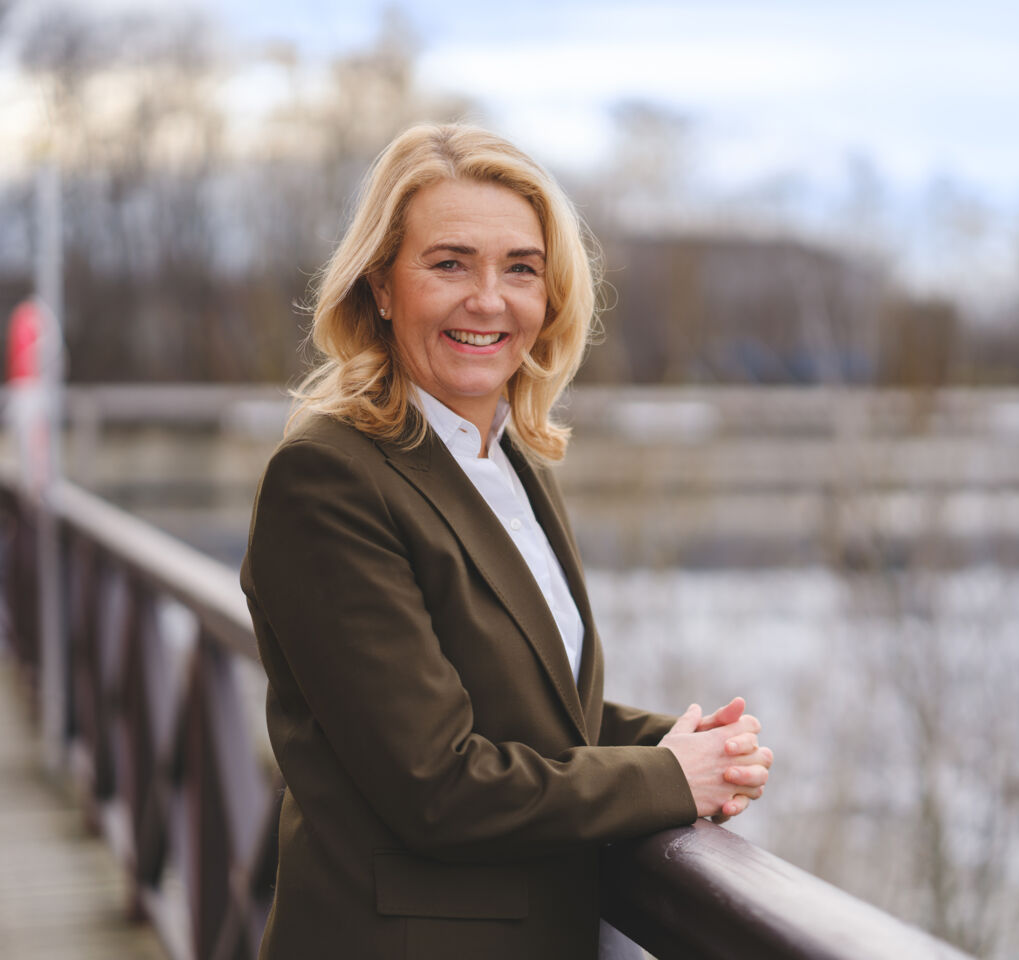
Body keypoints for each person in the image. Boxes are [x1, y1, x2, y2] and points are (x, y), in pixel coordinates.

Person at [241, 122, 773, 960]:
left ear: (550, 295)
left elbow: (535, 711)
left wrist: (683, 745)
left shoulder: (511, 462)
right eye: (449, 263)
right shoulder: (328, 479)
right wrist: (666, 781)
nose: (488, 300)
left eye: (519, 268)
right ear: (382, 285)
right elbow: (436, 784)